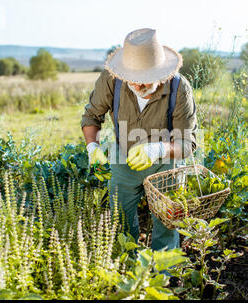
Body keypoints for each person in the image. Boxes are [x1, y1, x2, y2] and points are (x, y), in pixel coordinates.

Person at [81, 28, 197, 251]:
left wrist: (156, 149)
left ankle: (163, 277)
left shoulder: (179, 88)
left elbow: (187, 143)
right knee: (121, 221)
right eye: (132, 81)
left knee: (167, 224)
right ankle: (128, 272)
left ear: (161, 73)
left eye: (145, 81)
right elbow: (91, 116)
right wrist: (92, 146)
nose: (138, 86)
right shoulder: (112, 79)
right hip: (123, 157)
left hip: (166, 164)